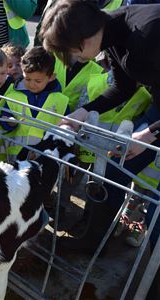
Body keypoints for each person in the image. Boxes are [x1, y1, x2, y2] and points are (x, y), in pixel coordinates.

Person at [40, 1, 160, 297]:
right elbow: (123, 87)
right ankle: (94, 238)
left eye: (71, 53)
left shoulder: (146, 36)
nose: (73, 59)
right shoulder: (114, 33)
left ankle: (153, 278)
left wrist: (148, 134)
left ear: (83, 41)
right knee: (116, 167)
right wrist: (84, 112)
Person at [0, 46, 69, 161]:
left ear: (51, 77)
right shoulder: (12, 95)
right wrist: (8, 121)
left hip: (47, 158)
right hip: (16, 158)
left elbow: (66, 128)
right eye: (27, 79)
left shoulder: (62, 101)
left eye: (38, 81)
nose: (31, 84)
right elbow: (3, 116)